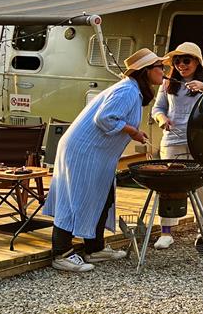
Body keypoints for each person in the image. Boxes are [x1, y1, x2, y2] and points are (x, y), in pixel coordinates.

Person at [43, 48, 165, 272]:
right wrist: (132, 131)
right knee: (74, 198)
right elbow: (104, 119)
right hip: (83, 150)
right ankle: (60, 254)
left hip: (96, 152)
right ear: (146, 71)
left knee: (103, 196)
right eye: (160, 67)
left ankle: (95, 248)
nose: (164, 72)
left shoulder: (132, 90)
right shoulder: (127, 90)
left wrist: (131, 131)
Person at [151, 41, 203, 249]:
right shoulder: (169, 82)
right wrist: (162, 119)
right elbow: (158, 108)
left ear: (197, 62)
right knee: (169, 185)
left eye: (186, 60)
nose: (181, 65)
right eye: (177, 61)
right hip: (173, 139)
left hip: (202, 139)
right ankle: (166, 232)